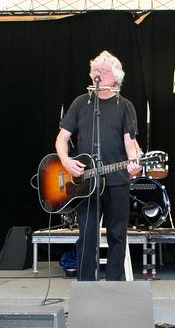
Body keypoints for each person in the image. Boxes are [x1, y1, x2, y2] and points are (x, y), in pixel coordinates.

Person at [55, 51, 141, 281]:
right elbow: (62, 138)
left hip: (117, 181)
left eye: (103, 71)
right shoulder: (81, 103)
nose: (98, 75)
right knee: (87, 236)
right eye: (95, 70)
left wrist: (135, 164)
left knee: (117, 235)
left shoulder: (125, 105)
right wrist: (65, 161)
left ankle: (114, 287)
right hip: (86, 184)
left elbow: (130, 142)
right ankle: (85, 289)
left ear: (116, 77)